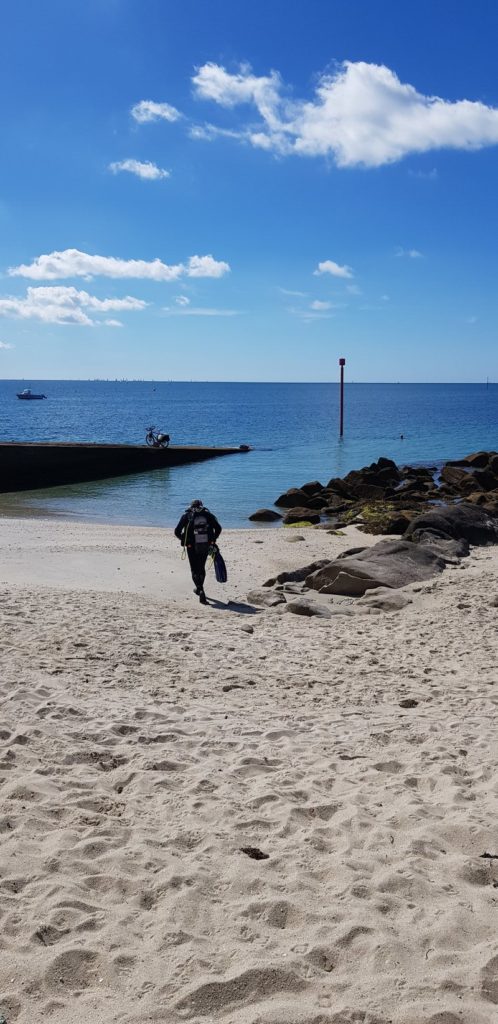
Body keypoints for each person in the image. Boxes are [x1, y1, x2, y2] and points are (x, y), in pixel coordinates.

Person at [174, 499, 222, 604]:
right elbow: (218, 528)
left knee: (194, 569)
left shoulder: (187, 516)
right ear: (202, 505)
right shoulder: (208, 515)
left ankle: (200, 590)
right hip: (205, 545)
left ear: (191, 506)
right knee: (201, 568)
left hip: (191, 546)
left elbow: (177, 531)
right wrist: (213, 540)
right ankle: (200, 589)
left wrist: (185, 541)